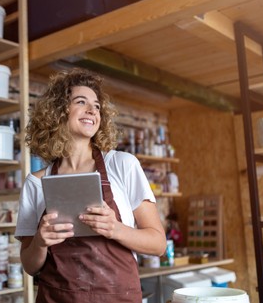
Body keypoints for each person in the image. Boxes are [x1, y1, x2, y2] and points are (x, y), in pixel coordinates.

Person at [15, 68, 166, 303]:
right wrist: (40, 241)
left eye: (96, 106)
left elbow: (158, 244)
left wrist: (114, 228)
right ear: (58, 112)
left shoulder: (122, 165)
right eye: (81, 102)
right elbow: (29, 265)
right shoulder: (36, 182)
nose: (92, 110)